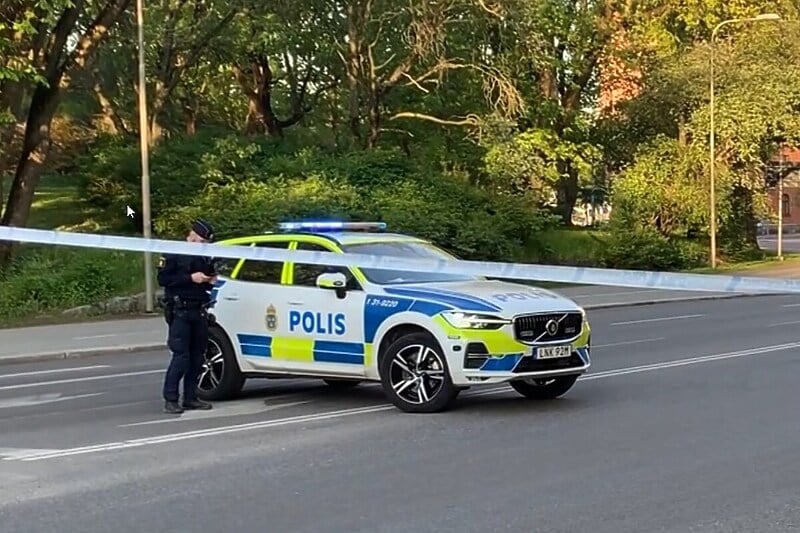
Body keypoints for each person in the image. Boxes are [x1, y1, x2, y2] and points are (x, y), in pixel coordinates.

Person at [157, 218, 218, 414]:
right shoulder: (173, 253)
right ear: (191, 236)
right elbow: (164, 279)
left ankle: (191, 397)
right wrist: (190, 278)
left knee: (197, 357)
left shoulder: (203, 257)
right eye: (199, 241)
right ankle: (171, 398)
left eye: (204, 243)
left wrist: (210, 280)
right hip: (180, 311)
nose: (201, 245)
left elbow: (207, 282)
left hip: (199, 310)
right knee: (181, 356)